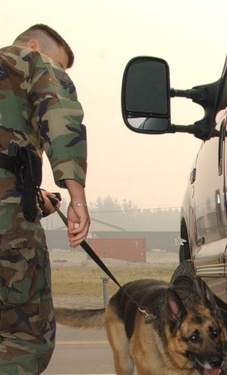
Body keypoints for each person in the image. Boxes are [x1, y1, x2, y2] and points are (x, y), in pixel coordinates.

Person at [0, 24, 90, 374]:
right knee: (27, 337)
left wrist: (36, 199)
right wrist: (76, 196)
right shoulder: (28, 58)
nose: (57, 73)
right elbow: (59, 113)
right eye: (59, 65)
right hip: (8, 234)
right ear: (35, 46)